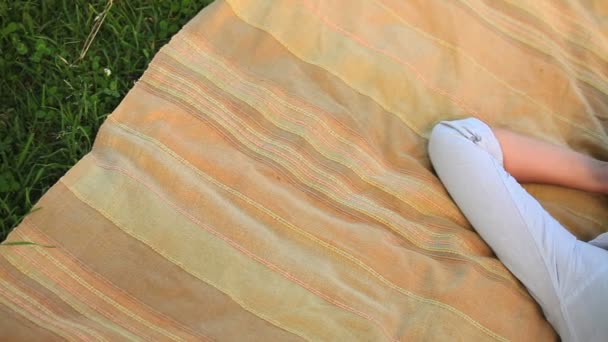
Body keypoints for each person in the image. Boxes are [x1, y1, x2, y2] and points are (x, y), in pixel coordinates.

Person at [427, 117, 608, 342]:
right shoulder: (580, 280)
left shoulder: (580, 280)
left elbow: (459, 139)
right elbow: (459, 139)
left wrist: (600, 175)